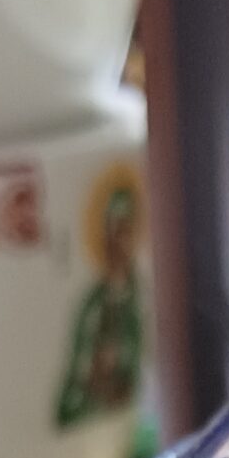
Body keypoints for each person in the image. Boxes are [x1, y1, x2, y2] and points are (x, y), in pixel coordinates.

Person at [54, 182, 144, 424]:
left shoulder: (138, 296)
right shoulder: (92, 306)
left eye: (124, 231)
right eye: (112, 232)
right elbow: (76, 375)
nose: (118, 242)